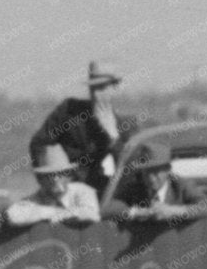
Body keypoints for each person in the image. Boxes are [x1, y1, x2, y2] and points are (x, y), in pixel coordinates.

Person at [30, 62, 134, 198]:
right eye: (93, 88)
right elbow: (38, 143)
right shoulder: (69, 110)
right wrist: (48, 177)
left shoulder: (123, 125)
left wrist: (114, 138)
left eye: (102, 88)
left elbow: (128, 169)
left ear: (115, 88)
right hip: (60, 187)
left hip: (95, 191)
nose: (96, 95)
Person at [103, 142, 207, 224]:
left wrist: (173, 211)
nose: (151, 178)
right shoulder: (135, 187)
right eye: (147, 172)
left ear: (168, 169)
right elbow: (108, 209)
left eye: (155, 171)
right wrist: (137, 212)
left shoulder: (181, 185)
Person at [3, 146, 101, 228]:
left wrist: (59, 214)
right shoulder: (35, 198)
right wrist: (52, 212)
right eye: (49, 175)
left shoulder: (82, 190)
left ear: (69, 176)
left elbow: (92, 215)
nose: (55, 179)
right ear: (40, 180)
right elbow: (13, 216)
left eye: (60, 174)